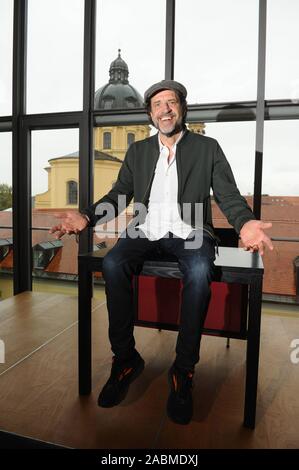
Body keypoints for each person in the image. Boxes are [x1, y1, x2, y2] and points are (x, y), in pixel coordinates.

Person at [50, 80, 273, 425]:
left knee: (200, 272)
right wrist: (87, 216)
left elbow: (227, 195)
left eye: (171, 103)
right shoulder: (138, 152)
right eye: (157, 105)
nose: (165, 109)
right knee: (112, 263)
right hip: (144, 228)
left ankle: (183, 369)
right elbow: (119, 195)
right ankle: (125, 358)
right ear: (150, 113)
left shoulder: (207, 147)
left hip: (192, 230)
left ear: (182, 108)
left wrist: (244, 223)